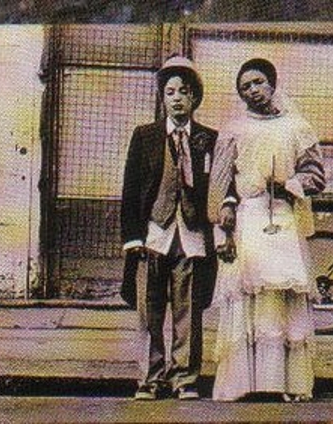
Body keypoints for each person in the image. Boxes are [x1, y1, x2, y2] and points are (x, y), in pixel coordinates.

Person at [207, 58, 326, 402]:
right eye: (245, 87)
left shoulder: (297, 127)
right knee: (250, 294)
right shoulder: (234, 130)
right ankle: (244, 383)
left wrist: (288, 184)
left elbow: (315, 176)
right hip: (249, 218)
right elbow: (221, 182)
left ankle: (283, 382)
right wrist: (227, 209)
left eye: (258, 82)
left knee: (281, 295)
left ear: (272, 84)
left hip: (285, 219)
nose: (253, 90)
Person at [120, 55, 218, 401]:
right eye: (170, 92)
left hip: (191, 236)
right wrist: (132, 237)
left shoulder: (208, 138)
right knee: (149, 310)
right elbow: (131, 188)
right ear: (162, 98)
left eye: (184, 92)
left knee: (187, 311)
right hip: (153, 234)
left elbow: (219, 186)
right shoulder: (145, 136)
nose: (177, 98)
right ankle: (150, 379)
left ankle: (184, 379)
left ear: (195, 98)